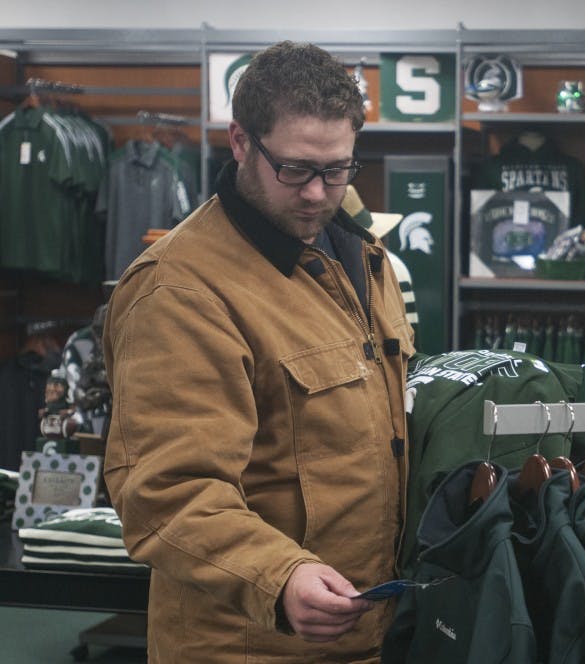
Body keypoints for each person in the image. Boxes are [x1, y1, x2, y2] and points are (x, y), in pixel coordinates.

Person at [102, 41, 414, 663]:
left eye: (338, 169)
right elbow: (167, 491)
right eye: (295, 169)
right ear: (240, 141)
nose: (318, 193)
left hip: (366, 632)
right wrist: (281, 576)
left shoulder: (361, 253)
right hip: (245, 644)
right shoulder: (182, 289)